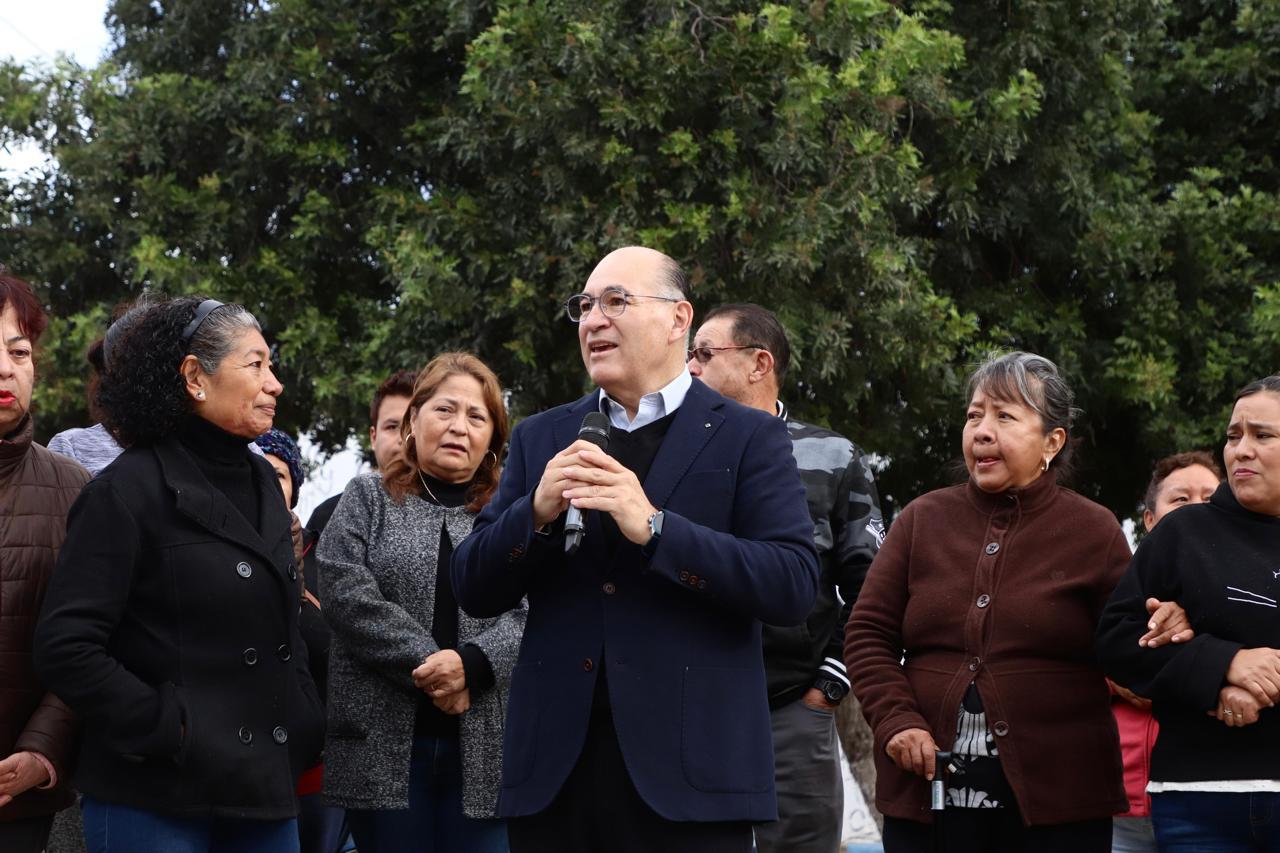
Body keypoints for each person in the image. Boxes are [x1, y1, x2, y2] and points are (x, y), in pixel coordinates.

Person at [451, 246, 820, 853]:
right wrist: (535, 512)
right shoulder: (544, 434)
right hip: (555, 781)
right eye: (585, 306)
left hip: (694, 778)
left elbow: (791, 583)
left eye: (617, 301)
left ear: (679, 319)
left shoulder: (749, 435)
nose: (594, 320)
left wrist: (655, 527)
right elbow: (474, 585)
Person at [34, 296, 324, 853]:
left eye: (273, 366)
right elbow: (65, 646)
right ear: (195, 376)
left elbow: (285, 624)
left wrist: (302, 720)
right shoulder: (123, 492)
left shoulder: (265, 484)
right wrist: (170, 726)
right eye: (257, 364)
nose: (276, 384)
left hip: (263, 787)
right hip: (155, 792)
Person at [845, 351, 1130, 853]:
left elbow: (1129, 642)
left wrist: (1170, 620)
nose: (981, 430)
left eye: (1005, 416)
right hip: (927, 800)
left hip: (1059, 804)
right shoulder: (921, 519)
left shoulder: (1095, 530)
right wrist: (898, 720)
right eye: (974, 414)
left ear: (1052, 441)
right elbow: (868, 634)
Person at [687, 302, 884, 853]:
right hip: (690, 712)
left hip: (793, 709)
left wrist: (828, 685)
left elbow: (875, 587)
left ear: (758, 364)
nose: (691, 368)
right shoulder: (675, 453)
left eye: (704, 353)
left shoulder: (833, 455)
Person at [318, 352, 524, 853]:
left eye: (477, 417)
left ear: (494, 438)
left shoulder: (512, 514)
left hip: (487, 749)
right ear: (414, 420)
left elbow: (533, 608)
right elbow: (346, 593)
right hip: (380, 747)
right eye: (444, 410)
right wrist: (436, 669)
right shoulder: (369, 495)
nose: (460, 427)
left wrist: (473, 666)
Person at [1098, 376, 1280, 852]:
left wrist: (1264, 682)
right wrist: (1222, 666)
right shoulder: (1182, 534)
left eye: (1263, 435)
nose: (1241, 450)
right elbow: (1117, 640)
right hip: (1197, 804)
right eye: (1233, 435)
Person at [0, 271, 89, 852]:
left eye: (19, 351)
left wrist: (40, 752)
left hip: (20, 795)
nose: (6, 368)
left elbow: (93, 637)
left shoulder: (77, 489)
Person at [1110, 452, 1222, 853]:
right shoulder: (1118, 592)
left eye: (1210, 499)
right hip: (1119, 807)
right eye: (1180, 499)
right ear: (1150, 520)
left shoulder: (1245, 593)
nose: (1196, 511)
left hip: (1210, 802)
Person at [254, 428, 350, 853]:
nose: (262, 482)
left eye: (277, 475)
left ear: (294, 489)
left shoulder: (325, 561)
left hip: (317, 776)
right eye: (251, 470)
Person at [303, 369, 416, 575]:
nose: (403, 438)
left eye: (412, 428)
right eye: (392, 426)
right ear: (373, 437)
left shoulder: (468, 510)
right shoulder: (329, 515)